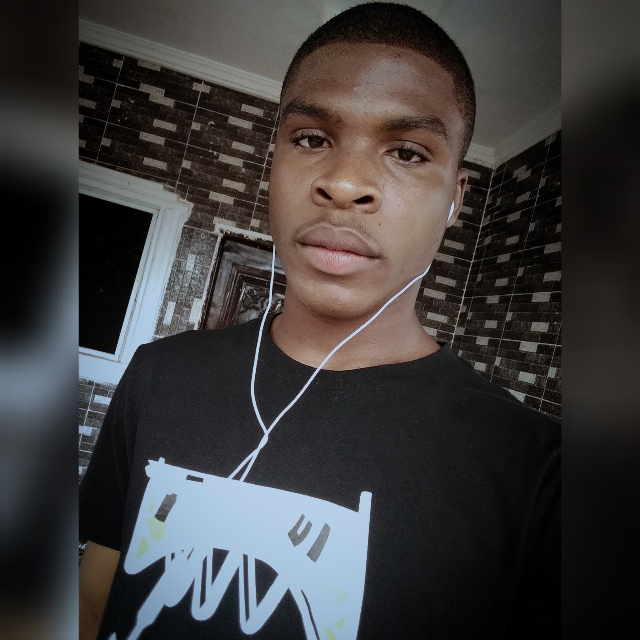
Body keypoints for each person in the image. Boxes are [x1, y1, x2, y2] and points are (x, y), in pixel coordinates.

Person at [79, 3, 560, 639]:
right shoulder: (158, 373)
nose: (345, 183)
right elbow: (92, 602)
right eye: (311, 139)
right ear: (274, 161)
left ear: (455, 198)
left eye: (408, 152)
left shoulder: (539, 471)